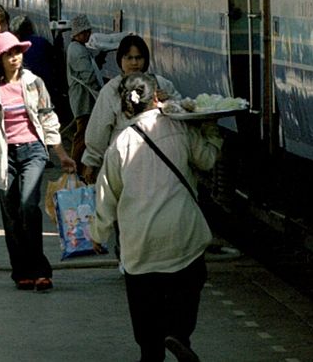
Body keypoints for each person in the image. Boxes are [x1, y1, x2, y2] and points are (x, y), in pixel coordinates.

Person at [92, 73, 222, 362]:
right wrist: (211, 130)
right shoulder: (180, 128)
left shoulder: (120, 144)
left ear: (126, 107)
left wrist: (98, 234)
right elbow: (207, 159)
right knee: (190, 282)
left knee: (146, 320)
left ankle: (152, 350)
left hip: (140, 244)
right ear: (157, 97)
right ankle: (178, 333)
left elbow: (106, 194)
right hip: (182, 235)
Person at [0, 32, 76, 291]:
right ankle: (22, 271)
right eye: (9, 53)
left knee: (29, 205)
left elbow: (48, 118)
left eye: (18, 52)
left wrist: (61, 154)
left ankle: (40, 270)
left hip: (33, 151)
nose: (15, 57)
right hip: (4, 155)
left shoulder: (34, 83)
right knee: (12, 213)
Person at [82, 35, 182, 183]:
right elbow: (98, 130)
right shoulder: (111, 91)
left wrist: (169, 101)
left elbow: (182, 111)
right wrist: (91, 161)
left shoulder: (161, 84)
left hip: (158, 161)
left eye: (139, 58)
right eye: (129, 58)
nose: (134, 63)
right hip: (125, 161)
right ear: (120, 60)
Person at [65, 14, 103, 171]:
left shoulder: (77, 48)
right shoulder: (78, 51)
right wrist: (102, 93)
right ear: (76, 34)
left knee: (83, 133)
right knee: (82, 134)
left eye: (88, 31)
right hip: (83, 99)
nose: (87, 35)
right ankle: (74, 166)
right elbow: (88, 76)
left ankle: (78, 166)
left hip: (82, 98)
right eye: (84, 32)